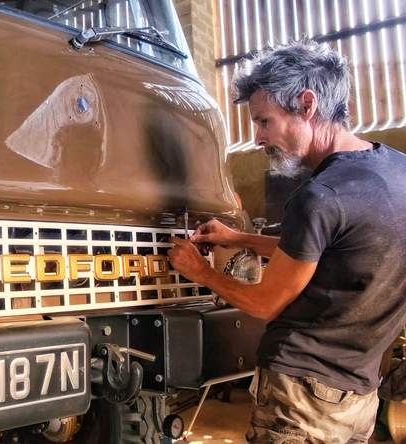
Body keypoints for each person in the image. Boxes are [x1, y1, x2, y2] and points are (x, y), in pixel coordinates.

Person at [168, 40, 406, 443]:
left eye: (264, 122)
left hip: (300, 397)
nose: (258, 139)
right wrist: (236, 237)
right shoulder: (397, 170)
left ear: (307, 104)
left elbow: (266, 302)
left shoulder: (321, 195)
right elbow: (328, 251)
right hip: (359, 392)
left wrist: (200, 271)